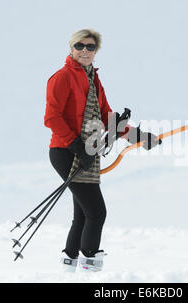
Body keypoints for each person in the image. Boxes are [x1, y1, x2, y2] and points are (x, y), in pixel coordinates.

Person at [44, 29, 161, 272]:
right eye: (80, 46)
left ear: (96, 51)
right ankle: (90, 267)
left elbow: (109, 120)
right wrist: (77, 146)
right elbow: (52, 118)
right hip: (66, 151)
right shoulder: (62, 77)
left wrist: (138, 136)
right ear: (71, 48)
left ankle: (69, 267)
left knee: (84, 214)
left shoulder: (93, 80)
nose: (85, 51)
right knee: (97, 212)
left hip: (87, 152)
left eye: (90, 47)